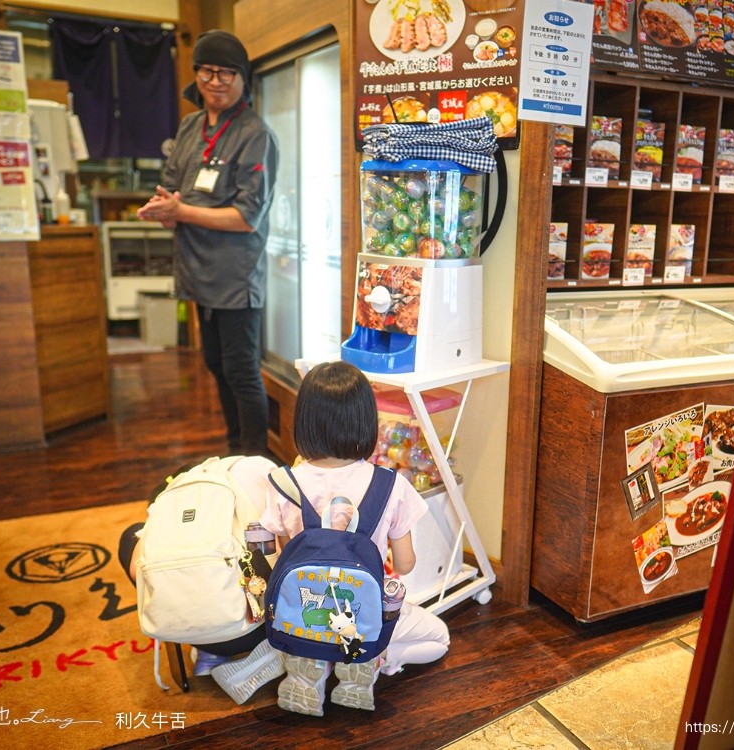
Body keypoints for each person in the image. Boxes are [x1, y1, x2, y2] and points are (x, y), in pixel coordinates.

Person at [216, 360, 450, 715]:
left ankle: (309, 669)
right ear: (366, 422)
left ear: (304, 420)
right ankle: (370, 659)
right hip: (361, 614)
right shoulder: (391, 486)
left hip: (302, 611)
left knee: (312, 629)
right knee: (438, 639)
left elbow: (282, 558)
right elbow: (404, 564)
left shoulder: (283, 483)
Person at [137, 29, 278, 458]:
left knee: (241, 370)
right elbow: (173, 189)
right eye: (207, 71)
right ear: (197, 74)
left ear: (242, 78)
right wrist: (163, 210)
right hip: (196, 269)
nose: (215, 81)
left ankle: (252, 458)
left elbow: (245, 217)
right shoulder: (190, 126)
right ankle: (234, 449)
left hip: (235, 275)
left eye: (226, 73)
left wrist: (179, 213)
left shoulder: (256, 133)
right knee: (214, 364)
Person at [117, 455, 283, 683]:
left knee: (131, 535)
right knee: (264, 544)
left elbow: (140, 572)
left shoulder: (172, 497)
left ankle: (209, 651)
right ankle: (277, 649)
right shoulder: (255, 467)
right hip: (260, 624)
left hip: (180, 627)